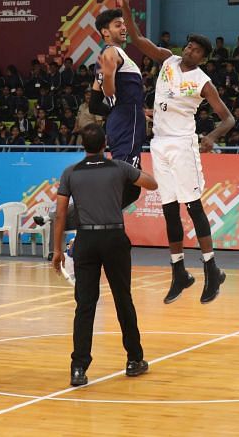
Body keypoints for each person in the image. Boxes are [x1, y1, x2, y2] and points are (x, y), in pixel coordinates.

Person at [115, 0, 235, 304]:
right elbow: (139, 40)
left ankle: (212, 270)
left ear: (203, 57)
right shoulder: (168, 60)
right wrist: (127, 7)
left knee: (193, 207)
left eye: (195, 49)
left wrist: (211, 137)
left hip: (183, 144)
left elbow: (229, 119)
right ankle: (179, 271)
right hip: (160, 144)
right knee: (169, 210)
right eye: (189, 44)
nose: (189, 49)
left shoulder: (202, 81)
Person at [52, 123, 158, 386]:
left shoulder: (70, 172)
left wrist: (57, 251)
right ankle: (134, 360)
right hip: (114, 238)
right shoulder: (119, 168)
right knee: (123, 299)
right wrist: (131, 173)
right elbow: (152, 184)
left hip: (86, 239)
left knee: (85, 305)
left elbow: (61, 214)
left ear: (83, 146)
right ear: (105, 144)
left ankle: (78, 368)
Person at [88, 1, 146, 208]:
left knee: (128, 187)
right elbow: (109, 91)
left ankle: (90, 223)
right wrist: (123, 109)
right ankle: (85, 222)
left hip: (124, 120)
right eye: (117, 25)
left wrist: (120, 111)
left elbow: (94, 105)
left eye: (123, 24)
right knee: (127, 185)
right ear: (105, 32)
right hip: (126, 123)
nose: (123, 28)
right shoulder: (112, 52)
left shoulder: (112, 54)